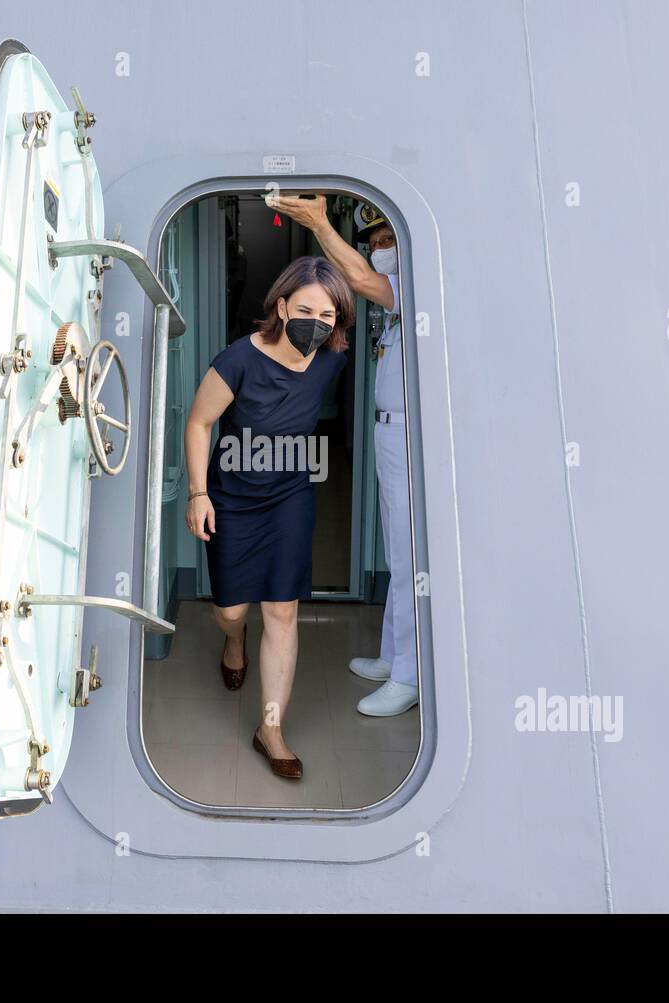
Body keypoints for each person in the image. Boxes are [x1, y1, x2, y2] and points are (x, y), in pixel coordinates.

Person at [183, 256, 355, 778]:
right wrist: (198, 493)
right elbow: (199, 422)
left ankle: (271, 729)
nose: (316, 324)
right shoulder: (238, 360)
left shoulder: (332, 359)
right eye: (306, 310)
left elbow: (388, 297)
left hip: (290, 496)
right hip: (232, 495)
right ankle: (233, 640)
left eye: (328, 316)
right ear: (281, 306)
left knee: (282, 611)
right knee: (233, 610)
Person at [265, 194, 418, 717]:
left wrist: (319, 225)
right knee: (399, 552)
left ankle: (409, 675)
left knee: (411, 557)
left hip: (411, 438)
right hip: (391, 436)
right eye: (373, 244)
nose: (379, 252)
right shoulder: (395, 307)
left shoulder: (416, 287)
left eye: (387, 242)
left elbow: (360, 281)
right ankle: (393, 655)